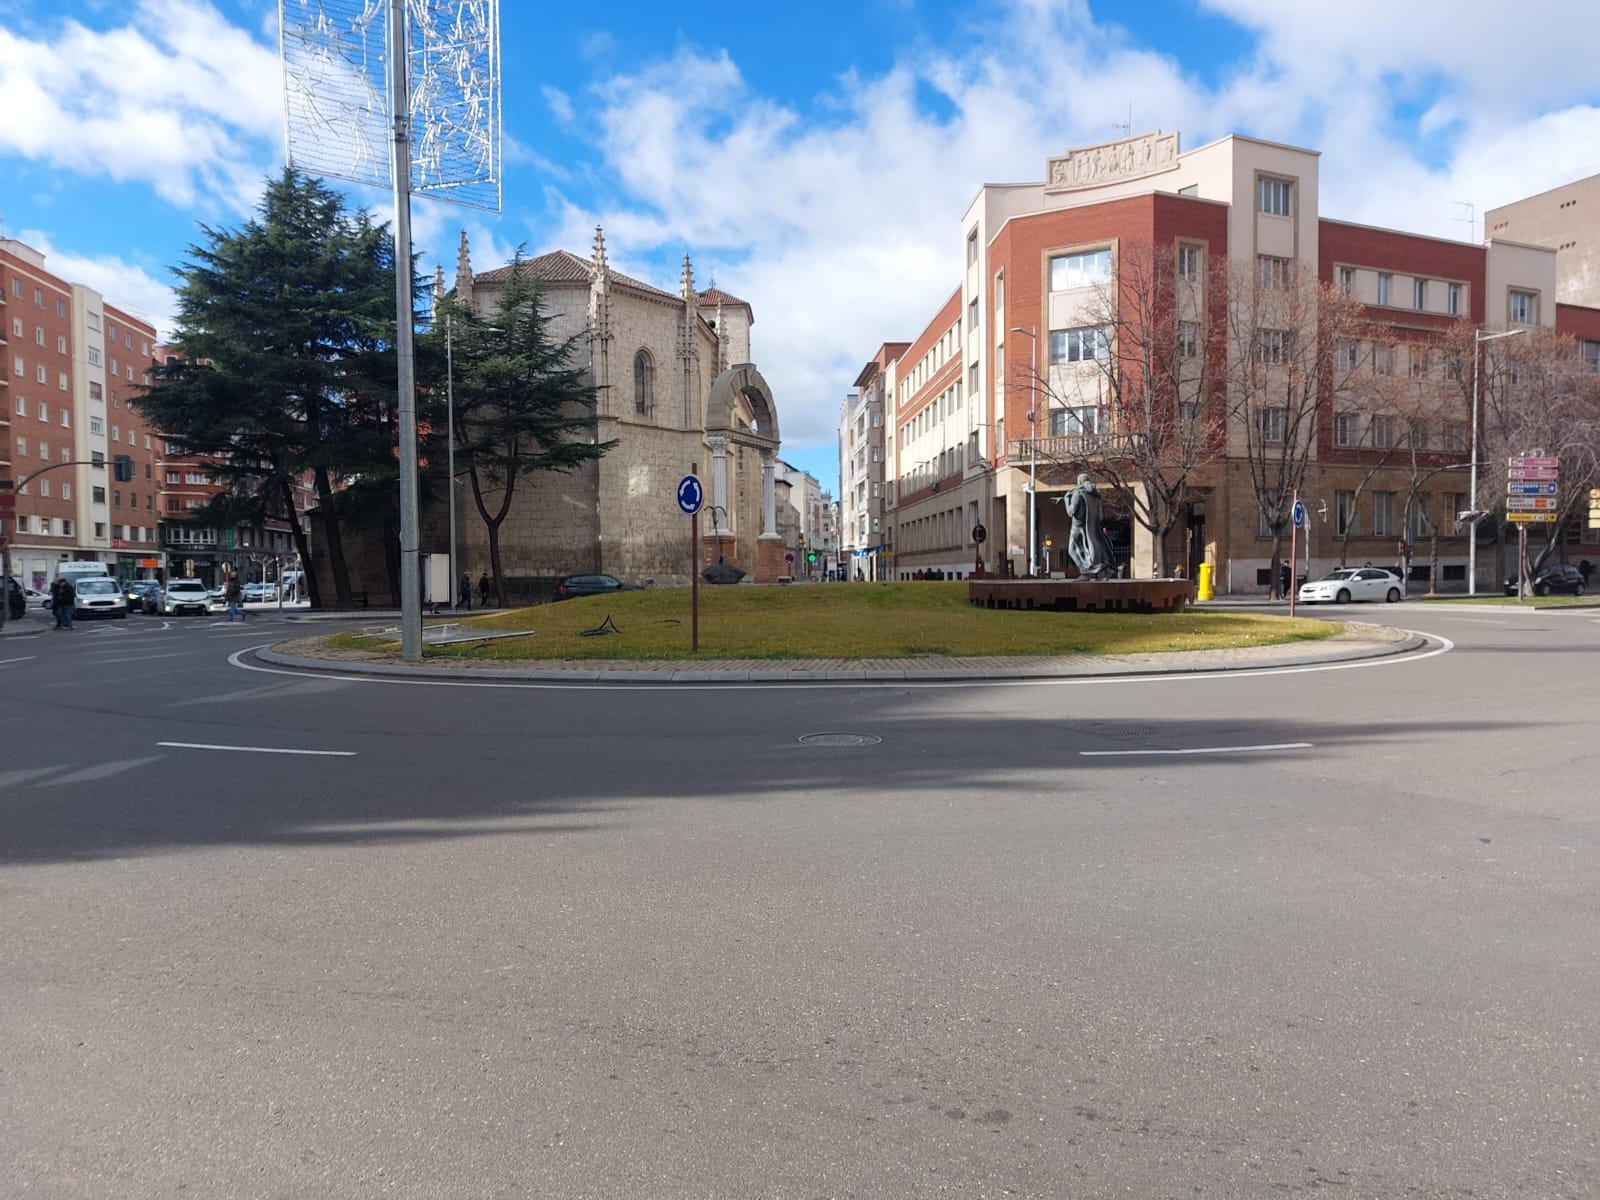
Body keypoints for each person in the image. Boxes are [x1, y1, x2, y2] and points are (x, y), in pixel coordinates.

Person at [1066, 474, 1115, 579]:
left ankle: (1087, 572)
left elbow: (1071, 512)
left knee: (1072, 550)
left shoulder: (1078, 493)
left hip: (1077, 527)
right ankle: (1103, 570)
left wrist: (1066, 500)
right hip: (1091, 527)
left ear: (1079, 482)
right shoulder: (1096, 497)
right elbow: (1100, 517)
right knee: (1091, 548)